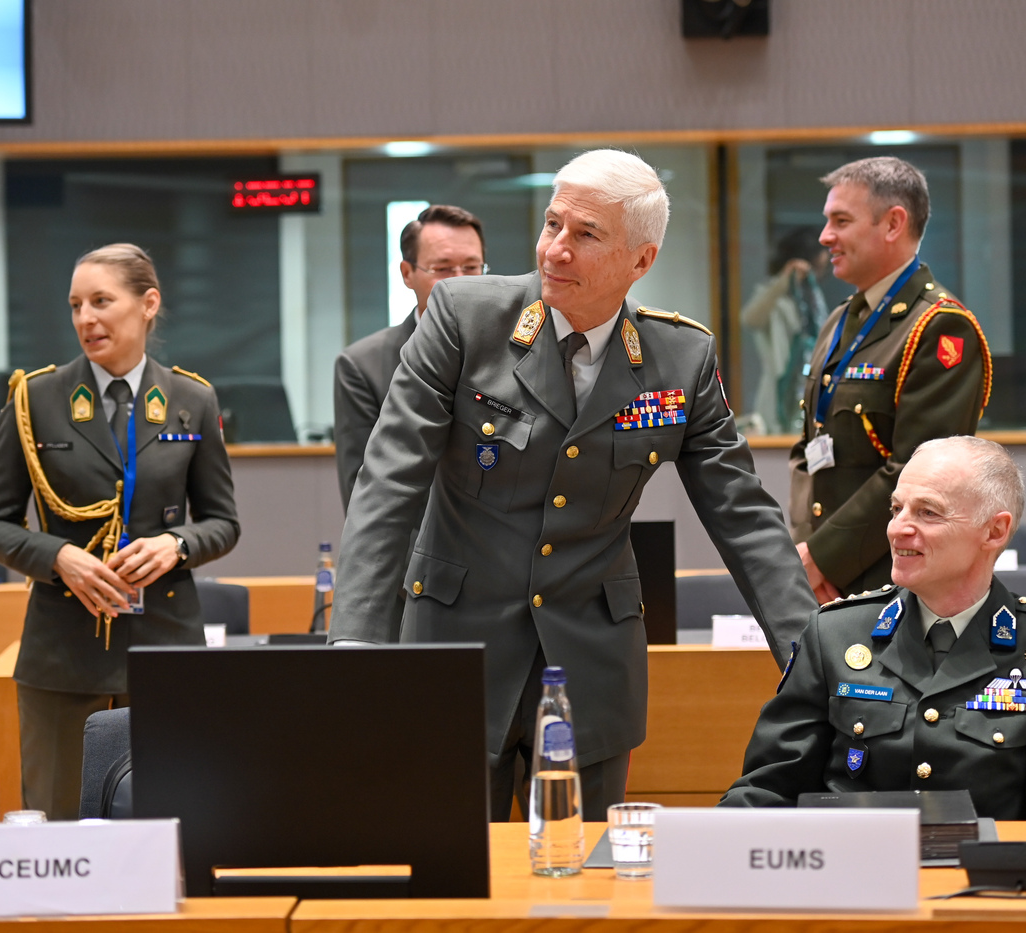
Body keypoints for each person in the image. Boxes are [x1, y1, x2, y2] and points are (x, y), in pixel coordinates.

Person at [330, 149, 816, 821]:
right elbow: (388, 481)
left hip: (592, 656)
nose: (556, 249)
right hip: (457, 647)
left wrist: (808, 654)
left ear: (640, 261)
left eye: (586, 235)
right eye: (553, 224)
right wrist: (357, 640)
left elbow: (745, 515)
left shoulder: (680, 359)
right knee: (456, 877)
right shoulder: (467, 319)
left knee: (584, 883)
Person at [0, 243, 239, 820]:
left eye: (101, 301)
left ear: (148, 304)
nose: (85, 319)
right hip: (64, 654)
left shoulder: (192, 399)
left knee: (176, 823)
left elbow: (223, 523)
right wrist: (59, 556)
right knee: (60, 827)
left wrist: (177, 544)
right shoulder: (35, 400)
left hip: (164, 649)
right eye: (75, 305)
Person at [721, 436, 1026, 820]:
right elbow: (766, 788)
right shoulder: (835, 633)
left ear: (994, 532)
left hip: (984, 877)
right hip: (854, 873)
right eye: (896, 509)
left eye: (928, 512)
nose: (897, 530)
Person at [790, 157, 992, 605]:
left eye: (841, 221)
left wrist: (824, 557)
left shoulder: (940, 328)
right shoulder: (840, 320)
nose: (825, 237)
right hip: (821, 580)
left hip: (895, 579)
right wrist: (807, 551)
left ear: (893, 224)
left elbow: (921, 478)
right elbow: (809, 448)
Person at [334, 204, 487, 511]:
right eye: (443, 269)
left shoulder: (515, 353)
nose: (460, 282)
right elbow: (366, 497)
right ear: (407, 274)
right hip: (416, 553)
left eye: (471, 268)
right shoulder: (363, 366)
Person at [739, 226, 830, 434]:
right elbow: (749, 319)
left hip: (810, 387)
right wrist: (785, 280)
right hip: (779, 392)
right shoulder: (774, 293)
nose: (818, 275)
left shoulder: (814, 300)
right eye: (815, 268)